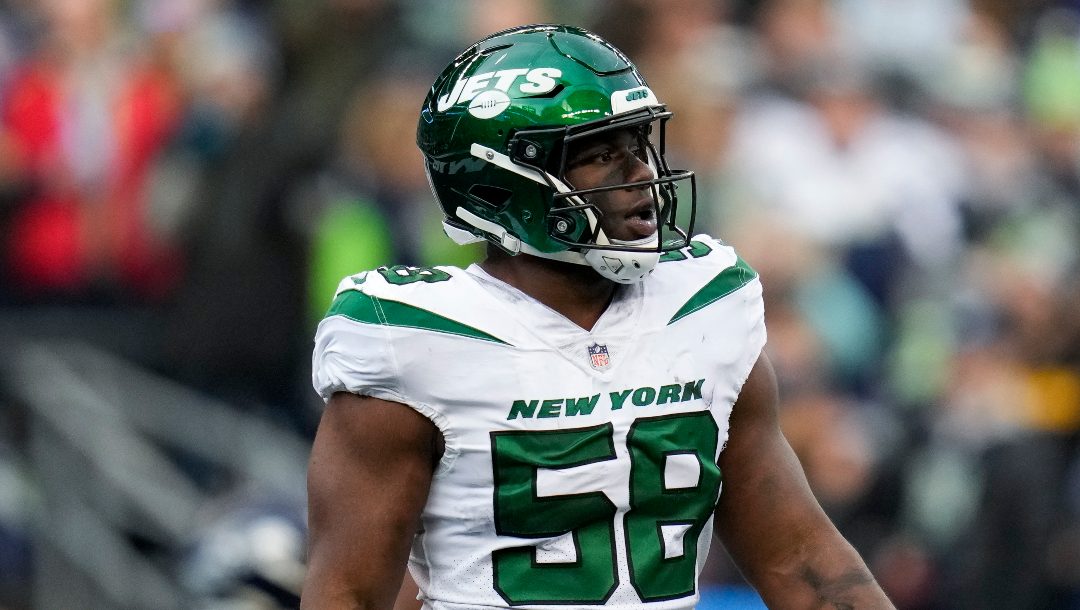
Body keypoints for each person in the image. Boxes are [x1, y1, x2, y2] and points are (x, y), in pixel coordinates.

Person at [302, 24, 894, 610]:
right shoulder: (416, 341)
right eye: (602, 155)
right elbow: (349, 593)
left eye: (638, 145)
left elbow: (804, 564)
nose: (642, 175)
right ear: (498, 185)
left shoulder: (702, 308)